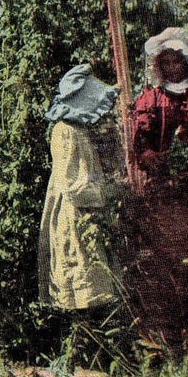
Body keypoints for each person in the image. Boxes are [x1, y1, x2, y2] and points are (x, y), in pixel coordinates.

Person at [125, 27, 188, 350]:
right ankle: (170, 338)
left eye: (176, 61)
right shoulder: (149, 99)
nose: (171, 67)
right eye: (165, 62)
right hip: (164, 198)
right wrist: (159, 160)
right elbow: (139, 146)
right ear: (158, 65)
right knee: (166, 265)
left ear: (186, 62)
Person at [38, 64, 121, 313]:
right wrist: (109, 192)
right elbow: (73, 187)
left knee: (96, 286)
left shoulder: (80, 130)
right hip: (75, 216)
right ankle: (84, 340)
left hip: (87, 214)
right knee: (84, 288)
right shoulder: (65, 133)